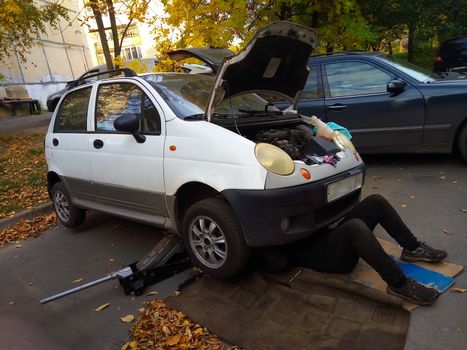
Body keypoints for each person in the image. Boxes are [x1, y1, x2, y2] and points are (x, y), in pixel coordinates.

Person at [257, 194, 448, 306]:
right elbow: (275, 262)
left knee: (375, 201)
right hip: (324, 255)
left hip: (324, 233)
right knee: (355, 227)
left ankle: (412, 248)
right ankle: (398, 284)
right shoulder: (257, 219)